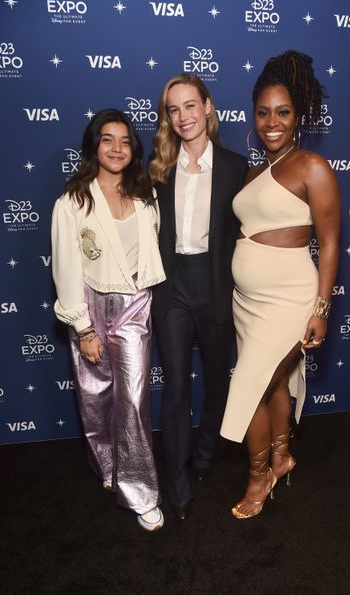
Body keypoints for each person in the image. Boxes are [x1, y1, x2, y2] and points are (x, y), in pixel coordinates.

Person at [220, 50, 341, 519]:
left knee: (250, 386)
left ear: (298, 116)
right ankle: (282, 457)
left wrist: (321, 309)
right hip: (245, 302)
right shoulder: (253, 172)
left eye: (283, 112)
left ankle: (259, 477)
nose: (273, 122)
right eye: (264, 112)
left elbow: (329, 244)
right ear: (254, 115)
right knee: (273, 386)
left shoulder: (313, 167)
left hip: (290, 299)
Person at [51, 109, 166, 531]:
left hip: (135, 304)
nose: (117, 148)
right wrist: (82, 327)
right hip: (91, 303)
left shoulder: (144, 193)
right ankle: (107, 465)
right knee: (94, 394)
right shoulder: (72, 201)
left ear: (133, 147)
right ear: (94, 146)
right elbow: (65, 266)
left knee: (133, 400)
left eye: (124, 140)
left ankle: (139, 491)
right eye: (107, 139)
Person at [148, 74, 248, 520]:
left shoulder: (234, 165)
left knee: (216, 380)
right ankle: (179, 480)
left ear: (208, 106)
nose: (184, 116)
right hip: (172, 286)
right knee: (174, 387)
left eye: (191, 106)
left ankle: (206, 451)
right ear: (167, 118)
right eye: (174, 109)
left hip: (215, 284)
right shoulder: (159, 169)